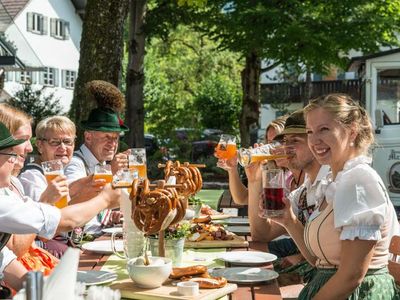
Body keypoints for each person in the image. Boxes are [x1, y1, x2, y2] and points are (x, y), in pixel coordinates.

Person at [272, 93, 400, 299]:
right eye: (310, 132)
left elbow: (352, 276)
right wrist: (288, 221)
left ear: (351, 132)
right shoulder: (335, 181)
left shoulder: (358, 182)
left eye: (324, 129)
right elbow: (318, 260)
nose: (314, 140)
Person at [0, 121, 121, 291]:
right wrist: (105, 199)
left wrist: (57, 289)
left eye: (68, 142)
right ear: (41, 145)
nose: (15, 162)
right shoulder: (27, 181)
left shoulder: (12, 189)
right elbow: (58, 223)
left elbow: (7, 264)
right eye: (10, 156)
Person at [64, 80, 129, 235]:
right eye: (106, 137)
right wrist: (111, 170)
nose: (112, 143)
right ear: (88, 137)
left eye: (115, 138)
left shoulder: (101, 162)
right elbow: (72, 204)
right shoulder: (75, 163)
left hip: (97, 235)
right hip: (78, 243)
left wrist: (110, 216)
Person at [216, 115, 290, 242]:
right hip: (268, 236)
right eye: (269, 142)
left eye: (277, 142)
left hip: (282, 241)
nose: (273, 148)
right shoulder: (271, 171)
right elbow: (242, 198)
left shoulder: (296, 176)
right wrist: (232, 170)